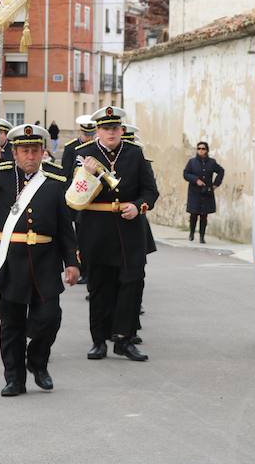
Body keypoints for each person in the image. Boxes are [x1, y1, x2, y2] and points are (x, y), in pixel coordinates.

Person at [0, 124, 79, 396]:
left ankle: (38, 363)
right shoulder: (0, 176)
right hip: (12, 262)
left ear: (43, 152)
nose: (30, 156)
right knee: (11, 324)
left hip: (45, 262)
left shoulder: (55, 181)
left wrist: (72, 262)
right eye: (24, 151)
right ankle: (14, 378)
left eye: (35, 150)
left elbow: (65, 227)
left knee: (50, 318)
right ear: (15, 154)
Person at [70, 106, 158, 362]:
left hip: (130, 230)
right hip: (96, 229)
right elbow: (72, 195)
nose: (111, 133)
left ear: (121, 130)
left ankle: (125, 339)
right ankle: (99, 340)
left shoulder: (134, 153)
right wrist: (88, 174)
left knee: (132, 283)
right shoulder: (82, 154)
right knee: (100, 287)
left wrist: (138, 206)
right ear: (98, 130)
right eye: (106, 128)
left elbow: (150, 191)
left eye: (115, 128)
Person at [61, 115, 96, 285]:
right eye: (85, 133)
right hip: (73, 196)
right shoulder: (71, 148)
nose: (88, 137)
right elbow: (65, 174)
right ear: (80, 131)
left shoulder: (96, 148)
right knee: (73, 235)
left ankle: (88, 270)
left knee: (86, 235)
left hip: (89, 197)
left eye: (91, 133)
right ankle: (78, 267)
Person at [183, 141, 225, 243]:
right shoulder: (192, 162)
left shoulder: (212, 162)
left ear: (207, 150)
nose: (201, 150)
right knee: (193, 214)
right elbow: (185, 174)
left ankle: (202, 237)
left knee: (204, 216)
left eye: (203, 149)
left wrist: (215, 184)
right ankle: (192, 233)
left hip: (207, 192)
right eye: (199, 148)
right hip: (194, 192)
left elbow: (221, 171)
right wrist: (195, 180)